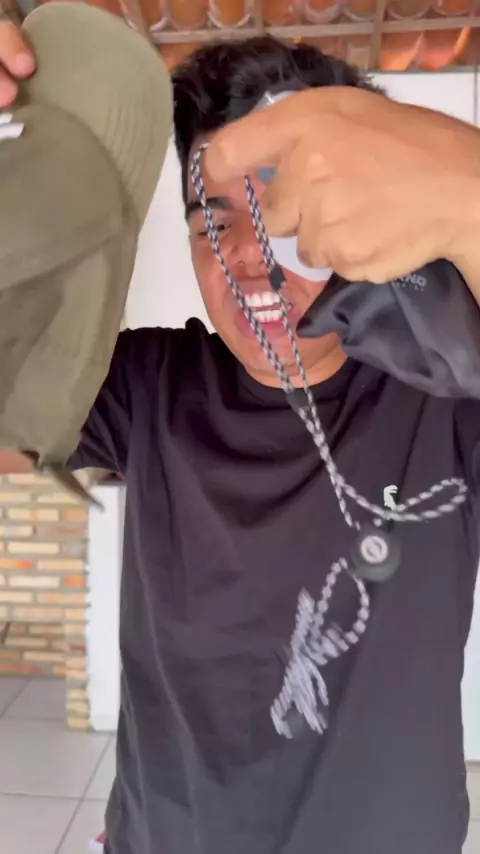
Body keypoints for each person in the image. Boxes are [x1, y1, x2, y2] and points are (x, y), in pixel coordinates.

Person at [1, 14, 480, 854]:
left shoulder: (448, 396)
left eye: (282, 215)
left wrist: (467, 187)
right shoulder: (146, 384)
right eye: (213, 223)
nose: (249, 259)